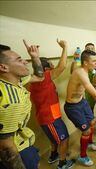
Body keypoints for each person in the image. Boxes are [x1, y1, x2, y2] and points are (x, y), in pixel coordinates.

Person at [64, 50, 96, 166]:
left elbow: (85, 83)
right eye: (93, 61)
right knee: (86, 130)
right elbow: (95, 96)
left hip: (81, 102)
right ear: (85, 62)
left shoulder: (85, 70)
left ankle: (89, 142)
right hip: (73, 107)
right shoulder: (81, 73)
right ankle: (83, 156)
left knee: (92, 121)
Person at [29, 39, 74, 168]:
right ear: (45, 69)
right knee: (64, 139)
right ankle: (62, 163)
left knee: (54, 139)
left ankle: (54, 155)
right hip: (50, 118)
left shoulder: (38, 80)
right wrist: (65, 47)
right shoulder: (43, 78)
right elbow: (62, 67)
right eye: (51, 65)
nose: (53, 68)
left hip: (49, 116)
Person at [0, 40, 44, 169]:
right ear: (3, 67)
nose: (25, 62)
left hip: (21, 142)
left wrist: (35, 57)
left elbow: (39, 77)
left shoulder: (13, 80)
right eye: (19, 60)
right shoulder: (10, 101)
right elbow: (5, 146)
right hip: (16, 151)